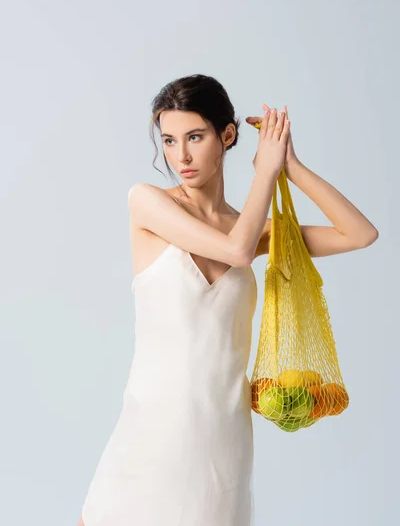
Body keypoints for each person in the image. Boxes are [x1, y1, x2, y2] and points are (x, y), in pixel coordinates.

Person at [78, 74, 378, 526]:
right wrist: (266, 173)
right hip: (150, 437)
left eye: (195, 137)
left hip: (223, 447)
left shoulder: (255, 230)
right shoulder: (148, 204)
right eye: (170, 140)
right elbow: (236, 250)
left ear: (228, 135)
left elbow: (359, 233)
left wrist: (290, 166)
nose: (180, 156)